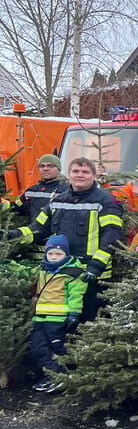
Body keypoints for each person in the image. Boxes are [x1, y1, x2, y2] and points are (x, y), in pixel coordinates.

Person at [7, 157, 123, 322]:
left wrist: (96, 266)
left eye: (85, 172)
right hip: (61, 271)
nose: (80, 175)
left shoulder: (106, 201)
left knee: (89, 322)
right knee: (61, 323)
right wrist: (9, 235)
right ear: (69, 175)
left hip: (90, 274)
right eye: (76, 171)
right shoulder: (58, 200)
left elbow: (111, 236)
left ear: (94, 175)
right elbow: (37, 229)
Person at [28, 235, 87, 393]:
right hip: (39, 317)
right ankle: (53, 376)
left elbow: (76, 295)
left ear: (66, 255)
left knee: (58, 348)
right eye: (51, 253)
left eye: (58, 254)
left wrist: (74, 313)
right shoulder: (41, 269)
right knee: (38, 347)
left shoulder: (74, 273)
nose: (54, 257)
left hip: (58, 319)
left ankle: (61, 376)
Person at [11, 154, 68, 222]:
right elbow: (16, 209)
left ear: (59, 169)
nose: (45, 169)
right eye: (42, 166)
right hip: (34, 230)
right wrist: (3, 203)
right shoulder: (31, 191)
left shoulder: (67, 190)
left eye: (50, 166)